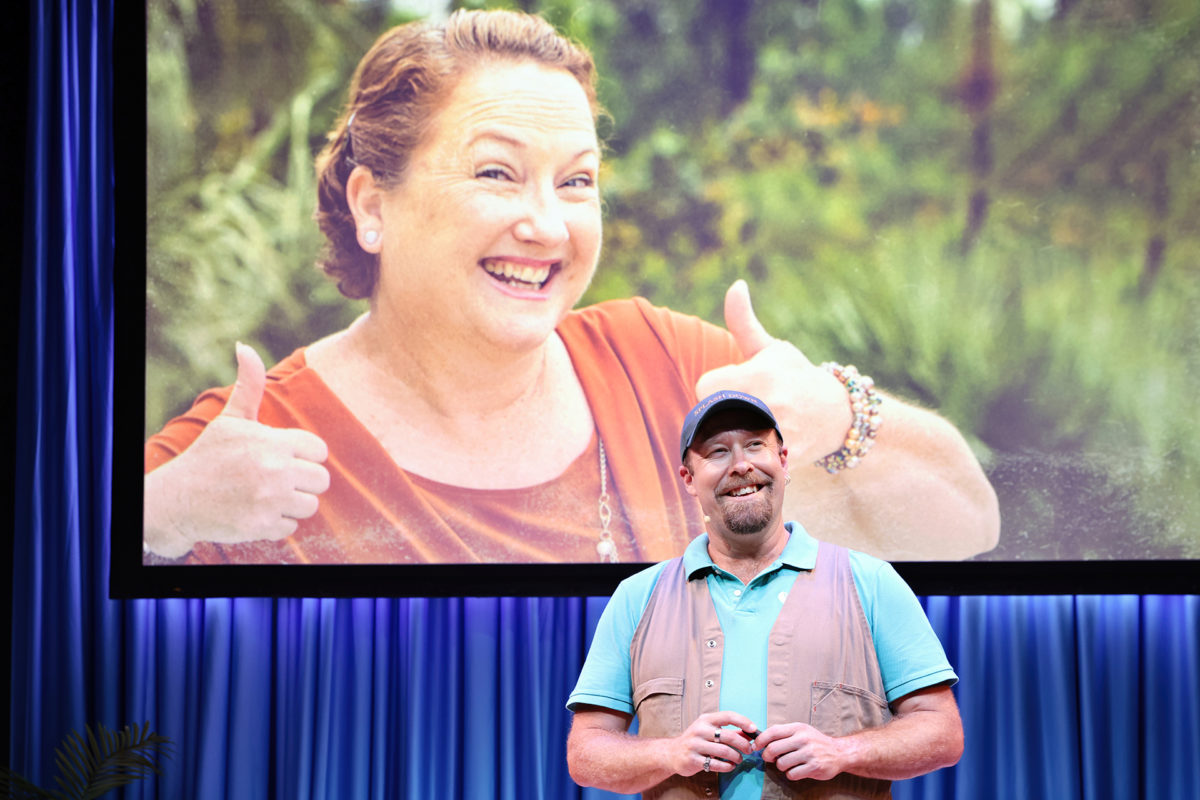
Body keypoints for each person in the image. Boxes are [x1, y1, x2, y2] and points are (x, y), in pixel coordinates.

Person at [142, 9, 999, 565]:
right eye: (496, 173)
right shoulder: (247, 455)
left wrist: (832, 417)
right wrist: (165, 514)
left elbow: (964, 524)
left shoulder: (672, 374)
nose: (548, 225)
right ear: (373, 204)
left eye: (577, 181)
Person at [565, 390, 963, 798]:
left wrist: (842, 752)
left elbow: (942, 732)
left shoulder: (873, 583)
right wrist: (670, 753)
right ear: (688, 479)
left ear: (783, 461)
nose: (741, 465)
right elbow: (586, 753)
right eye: (717, 452)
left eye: (755, 444)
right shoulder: (637, 598)